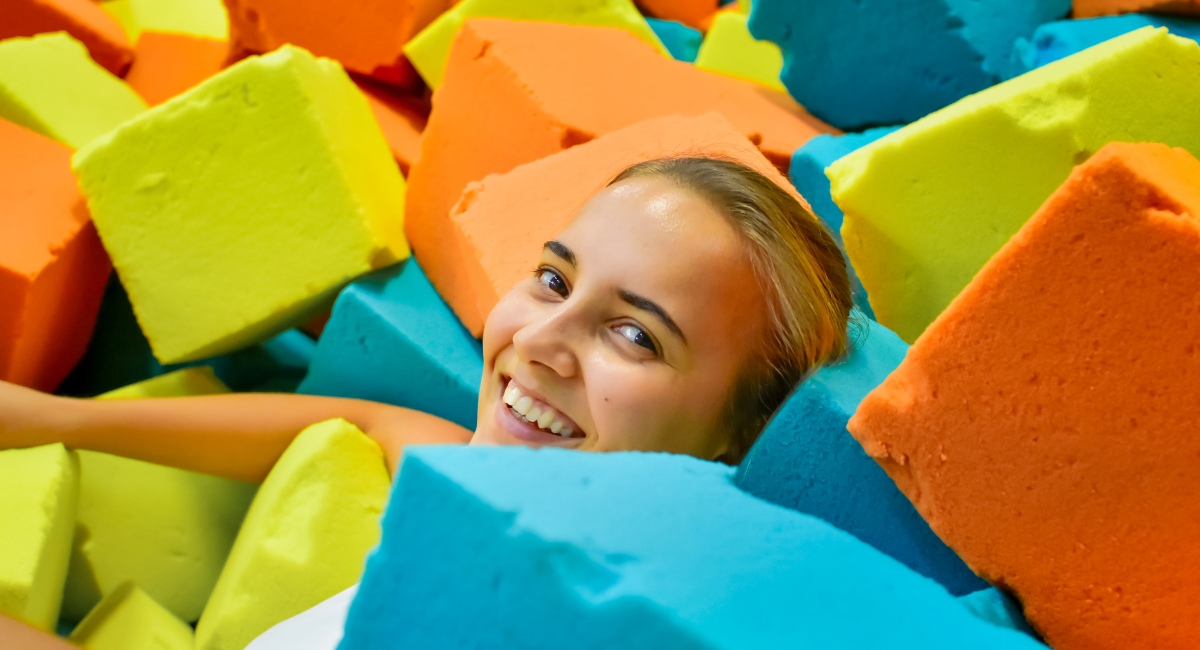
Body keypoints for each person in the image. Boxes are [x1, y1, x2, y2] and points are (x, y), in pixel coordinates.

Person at [1, 157, 853, 482]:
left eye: (635, 335)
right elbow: (367, 421)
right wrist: (55, 420)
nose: (539, 343)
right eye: (554, 281)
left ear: (735, 437)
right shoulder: (469, 465)